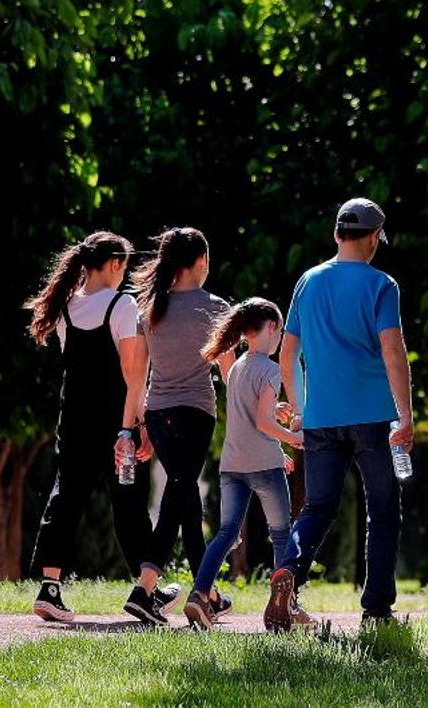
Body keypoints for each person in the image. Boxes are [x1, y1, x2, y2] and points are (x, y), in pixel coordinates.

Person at [264, 198, 414, 632]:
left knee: (317, 506)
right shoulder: (382, 284)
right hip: (373, 416)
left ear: (335, 235)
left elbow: (288, 351)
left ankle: (290, 568)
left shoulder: (307, 282)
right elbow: (392, 349)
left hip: (322, 418)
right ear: (372, 238)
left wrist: (301, 409)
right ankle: (377, 608)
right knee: (383, 509)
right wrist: (404, 415)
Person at [23, 231, 177, 623]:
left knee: (66, 497)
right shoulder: (122, 305)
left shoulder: (65, 307)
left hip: (72, 420)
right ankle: (147, 589)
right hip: (115, 425)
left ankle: (50, 588)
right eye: (124, 266)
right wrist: (139, 423)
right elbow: (132, 372)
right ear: (113, 264)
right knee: (127, 502)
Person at [123, 227, 232, 626]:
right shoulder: (216, 307)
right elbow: (229, 371)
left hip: (158, 414)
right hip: (195, 413)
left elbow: (138, 377)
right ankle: (144, 588)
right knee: (179, 494)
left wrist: (133, 425)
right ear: (201, 261)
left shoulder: (149, 309)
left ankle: (209, 594)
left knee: (185, 499)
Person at [183, 298, 310, 630]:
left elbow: (250, 416)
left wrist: (274, 419)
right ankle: (285, 607)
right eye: (280, 331)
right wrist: (294, 439)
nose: (280, 337)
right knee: (282, 535)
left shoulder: (236, 367)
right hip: (264, 467)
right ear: (270, 328)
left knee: (225, 533)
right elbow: (263, 423)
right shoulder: (270, 369)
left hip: (233, 465)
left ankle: (199, 596)